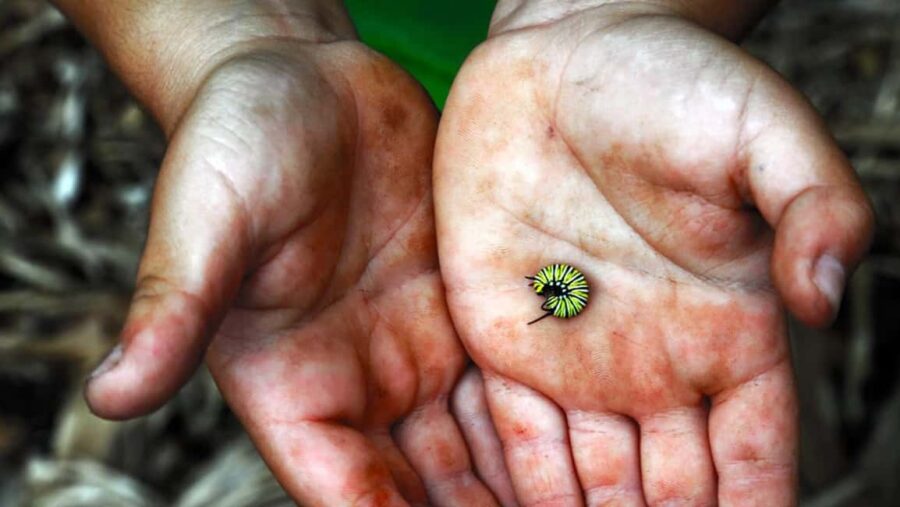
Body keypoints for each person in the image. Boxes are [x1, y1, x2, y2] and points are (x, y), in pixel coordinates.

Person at [54, 0, 874, 505]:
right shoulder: (556, 287)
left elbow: (567, 294)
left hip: (578, 139)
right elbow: (563, 295)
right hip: (364, 152)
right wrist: (237, 37)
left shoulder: (571, 278)